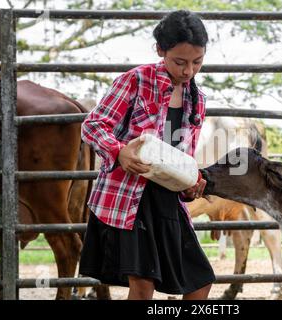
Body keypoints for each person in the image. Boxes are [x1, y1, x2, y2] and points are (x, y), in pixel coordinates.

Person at [79, 10, 216, 300]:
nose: (188, 71)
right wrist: (119, 152)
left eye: (197, 62)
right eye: (180, 62)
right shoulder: (135, 81)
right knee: (142, 288)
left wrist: (191, 183)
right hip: (130, 198)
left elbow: (184, 157)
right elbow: (93, 126)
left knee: (200, 283)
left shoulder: (198, 100)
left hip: (167, 199)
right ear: (160, 51)